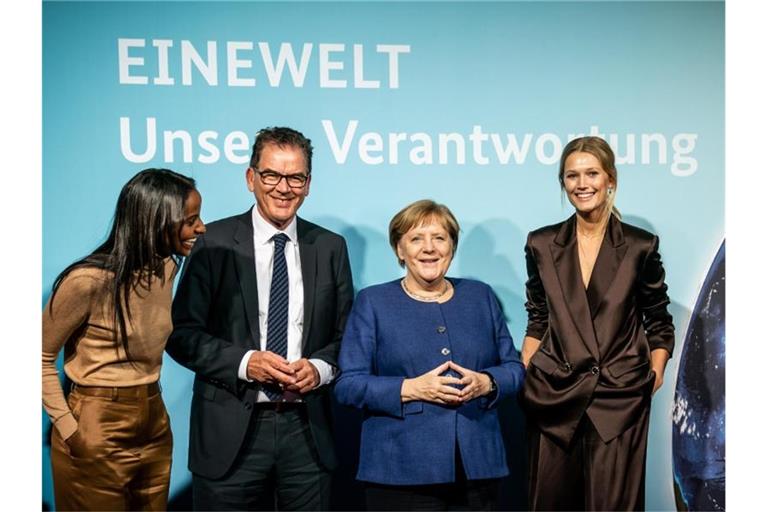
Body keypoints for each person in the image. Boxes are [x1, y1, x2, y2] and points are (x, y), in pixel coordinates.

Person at [166, 126, 354, 510]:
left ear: (308, 184)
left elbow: (346, 335)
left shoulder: (331, 247)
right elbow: (182, 334)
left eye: (295, 177)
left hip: (307, 433)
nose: (283, 188)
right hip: (229, 432)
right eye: (272, 175)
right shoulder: (211, 241)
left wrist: (319, 369)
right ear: (251, 178)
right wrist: (246, 363)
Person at [335, 199, 525, 511]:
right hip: (400, 471)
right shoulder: (373, 302)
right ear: (399, 249)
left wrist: (487, 382)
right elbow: (347, 385)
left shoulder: (480, 296)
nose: (429, 248)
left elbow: (514, 369)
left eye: (439, 237)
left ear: (452, 246)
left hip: (478, 469)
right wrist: (409, 388)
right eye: (416, 239)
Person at [520, 136, 675, 511]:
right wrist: (531, 369)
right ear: (563, 184)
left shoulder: (640, 245)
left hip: (619, 400)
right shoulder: (541, 244)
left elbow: (658, 321)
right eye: (572, 176)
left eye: (591, 173)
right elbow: (538, 316)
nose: (582, 183)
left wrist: (649, 379)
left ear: (611, 180)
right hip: (556, 397)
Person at [42, 168, 205, 511]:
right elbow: (38, 356)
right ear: (156, 222)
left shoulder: (167, 269)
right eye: (191, 220)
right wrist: (70, 428)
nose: (201, 228)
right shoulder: (87, 280)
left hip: (154, 421)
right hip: (97, 424)